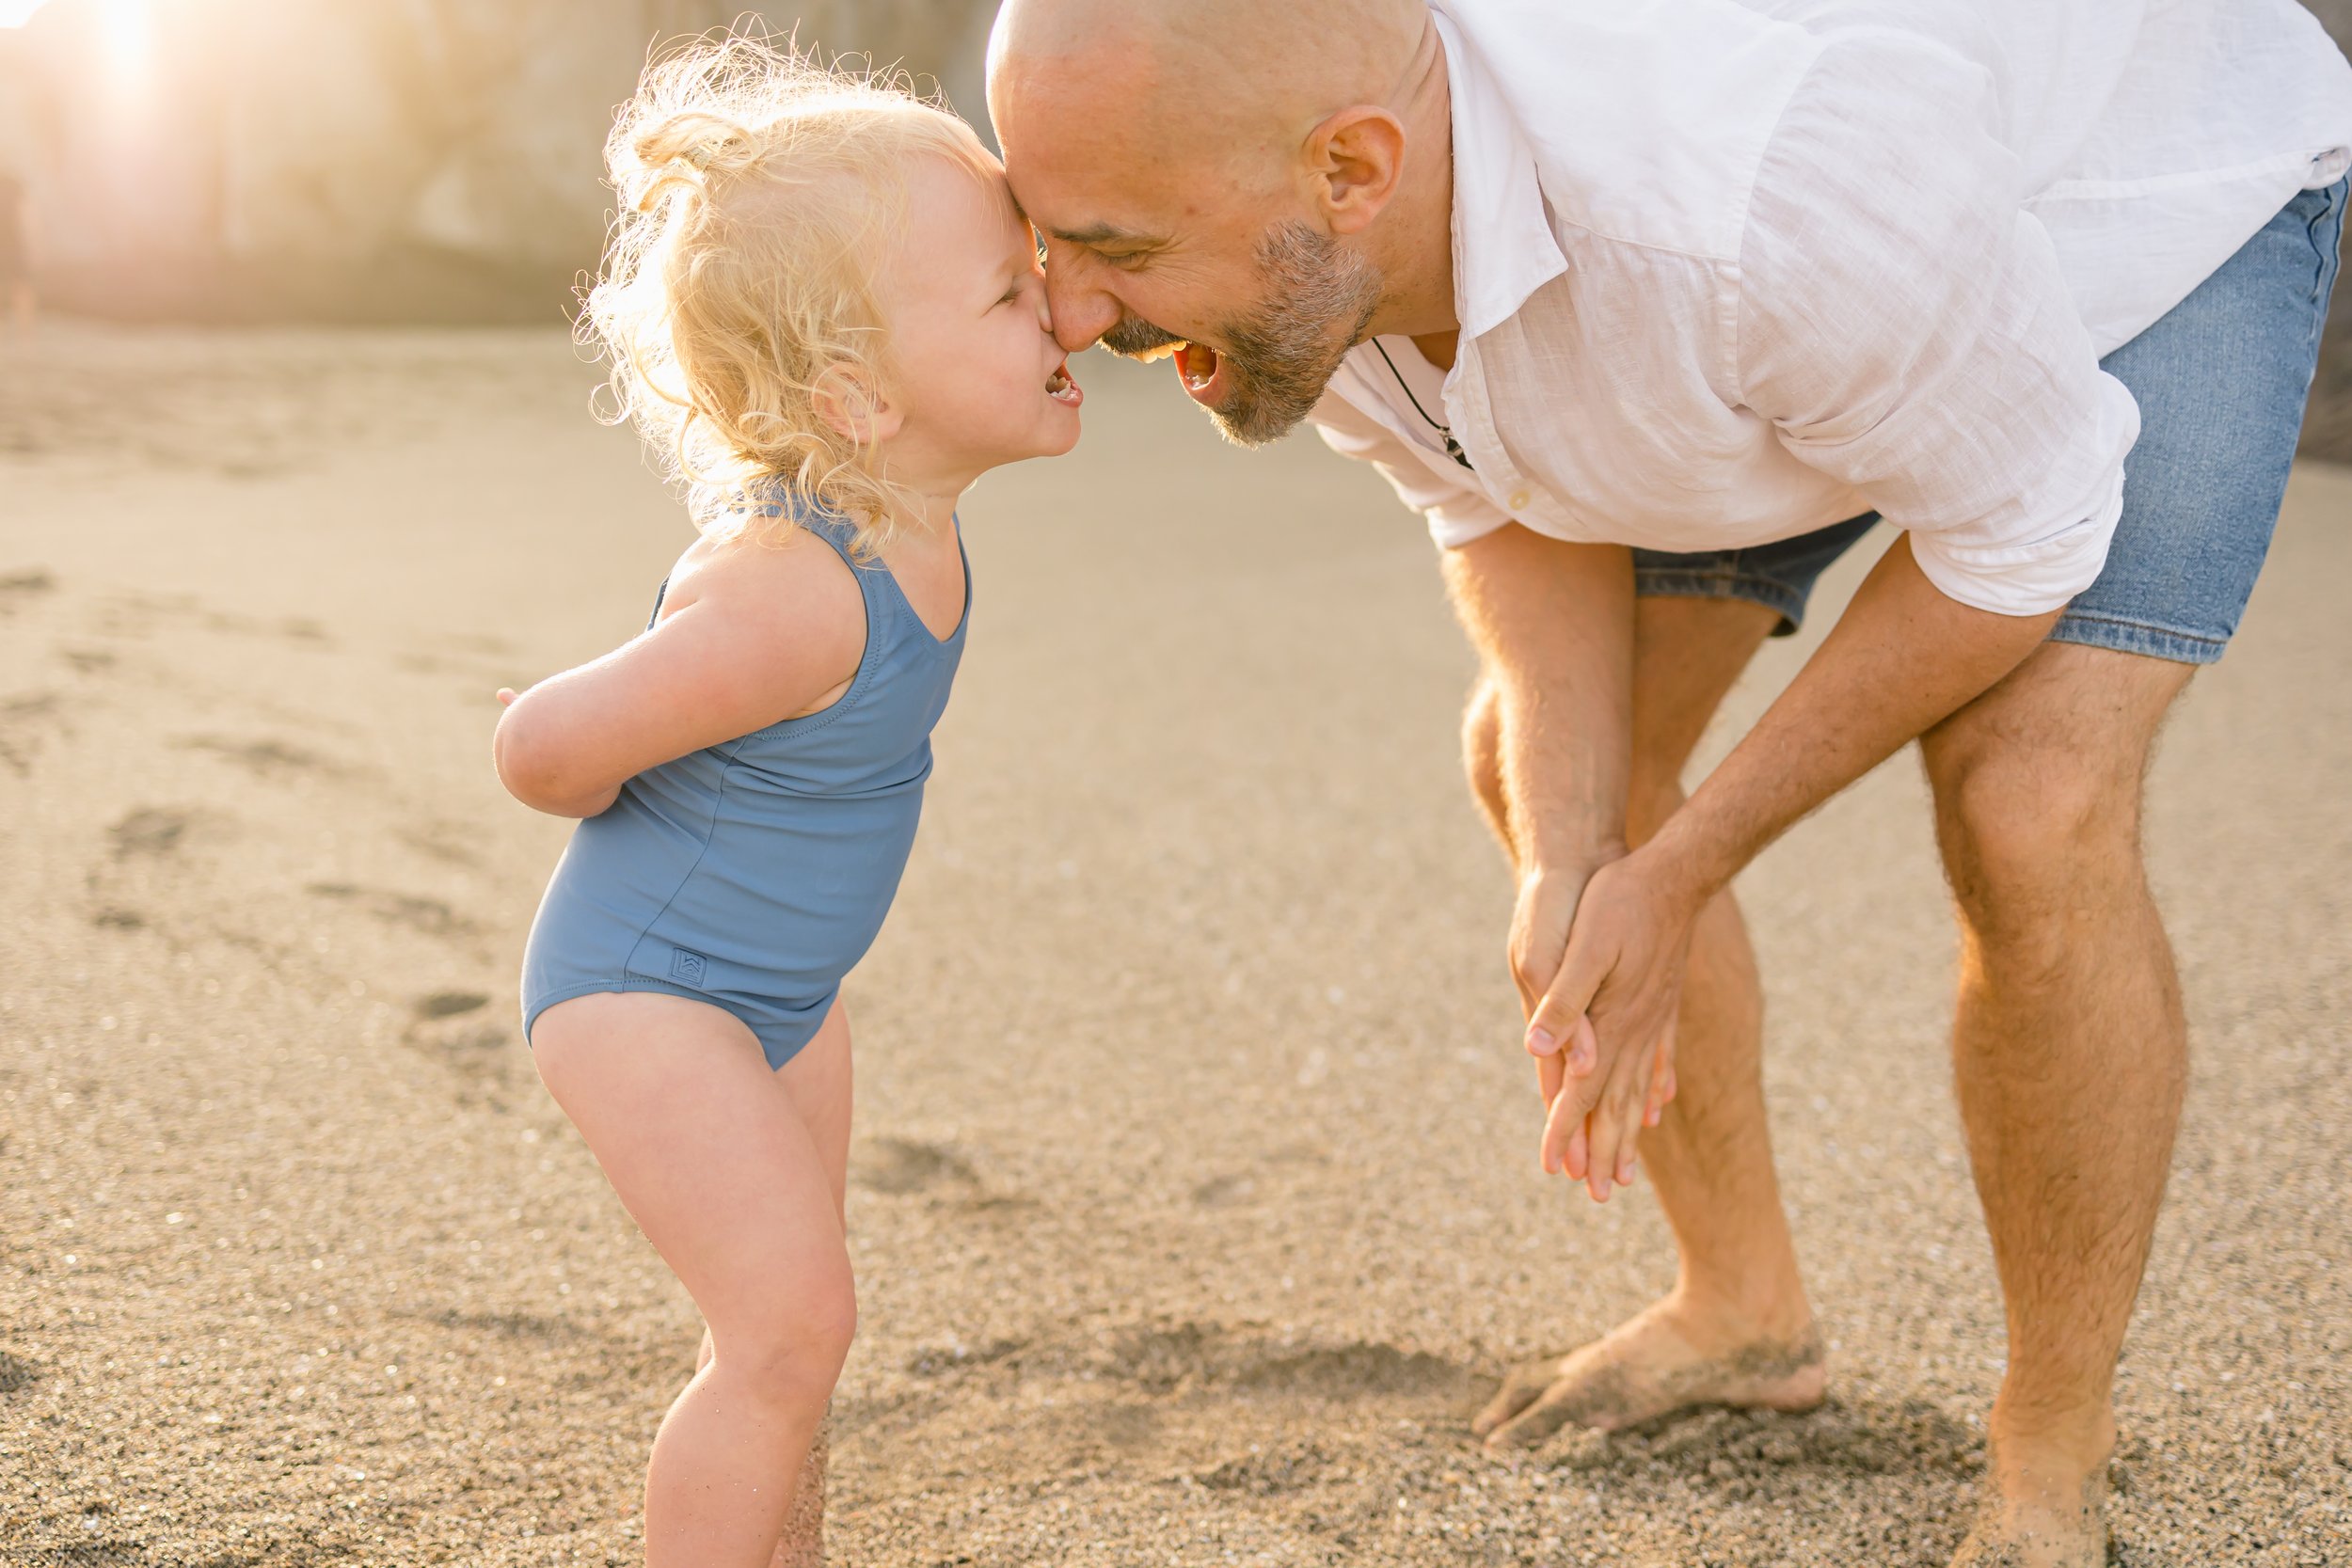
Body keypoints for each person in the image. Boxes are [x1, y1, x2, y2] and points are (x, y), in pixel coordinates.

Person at [984, 1, 2352, 1562]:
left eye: (1117, 250)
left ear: (1358, 170)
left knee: (2025, 801)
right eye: (1045, 242)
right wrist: (1581, 843)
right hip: (1805, 312)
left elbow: (2016, 538)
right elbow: (1502, 488)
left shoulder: (1754, 201)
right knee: (1546, 767)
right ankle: (1747, 1311)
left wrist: (1682, 863)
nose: (1072, 315)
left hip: (2137, 202)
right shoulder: (1306, 245)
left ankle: (2054, 1440)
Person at [494, 36, 1084, 1568]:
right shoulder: (792, 593)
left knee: (799, 1330)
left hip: (789, 995)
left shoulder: (914, 528)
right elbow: (544, 748)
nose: (1065, 313)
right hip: (649, 994)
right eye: (1014, 297)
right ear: (858, 395)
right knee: (786, 1324)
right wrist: (579, 735)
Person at [0, 171, 32, 332]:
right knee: (21, 283)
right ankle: (24, 326)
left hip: (13, 241)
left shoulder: (14, 183)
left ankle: (22, 325)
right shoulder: (14, 183)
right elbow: (26, 215)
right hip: (14, 240)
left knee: (19, 283)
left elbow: (25, 214)